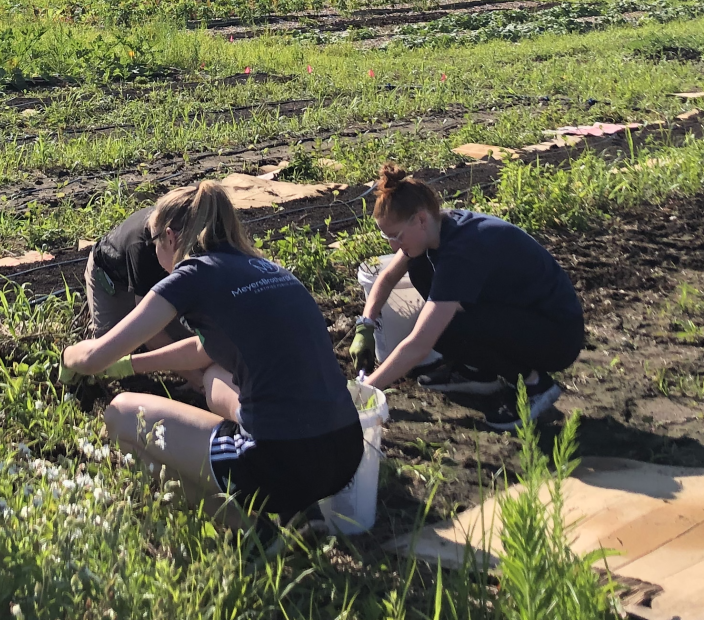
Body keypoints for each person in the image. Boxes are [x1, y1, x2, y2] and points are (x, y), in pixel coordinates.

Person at [62, 181, 362, 528]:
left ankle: (253, 531)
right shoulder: (264, 268)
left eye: (154, 242)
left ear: (169, 238)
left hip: (277, 461)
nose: (154, 252)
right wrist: (132, 363)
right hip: (345, 451)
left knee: (120, 415)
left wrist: (69, 357)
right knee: (214, 378)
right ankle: (301, 510)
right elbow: (203, 349)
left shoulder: (191, 275)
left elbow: (94, 358)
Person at [353, 164, 583, 433]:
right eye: (387, 236)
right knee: (424, 278)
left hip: (556, 334)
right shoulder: (439, 228)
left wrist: (364, 392)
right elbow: (386, 279)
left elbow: (419, 345)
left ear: (421, 219)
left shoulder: (462, 251)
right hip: (519, 313)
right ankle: (479, 372)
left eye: (396, 236)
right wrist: (365, 325)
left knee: (437, 326)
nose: (393, 245)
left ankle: (535, 384)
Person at [84, 198, 194, 345]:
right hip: (111, 278)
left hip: (151, 270)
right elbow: (147, 331)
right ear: (170, 238)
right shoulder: (141, 250)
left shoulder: (184, 229)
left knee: (183, 333)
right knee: (110, 346)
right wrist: (182, 358)